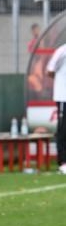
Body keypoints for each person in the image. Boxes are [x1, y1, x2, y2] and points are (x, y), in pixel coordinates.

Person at [46, 43, 66, 174]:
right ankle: (63, 162)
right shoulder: (62, 51)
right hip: (64, 96)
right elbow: (50, 70)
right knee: (63, 129)